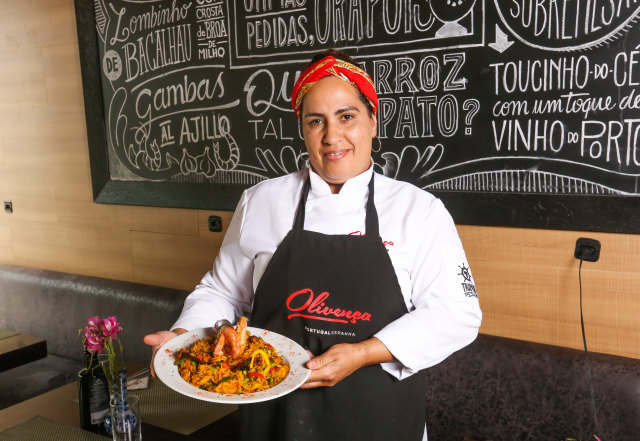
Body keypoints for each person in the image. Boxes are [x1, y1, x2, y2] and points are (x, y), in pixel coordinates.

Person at [144, 49, 482, 441]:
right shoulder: (262, 201)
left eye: (347, 117)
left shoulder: (419, 211)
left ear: (373, 121)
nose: (331, 136)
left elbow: (457, 313)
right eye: (315, 120)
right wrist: (185, 336)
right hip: (277, 421)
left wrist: (365, 352)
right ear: (302, 129)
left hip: (380, 418)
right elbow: (221, 292)